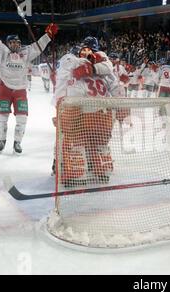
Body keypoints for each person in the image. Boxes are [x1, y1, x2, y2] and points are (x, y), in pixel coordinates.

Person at [0, 10, 58, 155]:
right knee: (3, 117)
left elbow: (38, 46)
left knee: (22, 118)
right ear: (8, 43)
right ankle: (2, 140)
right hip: (4, 88)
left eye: (17, 42)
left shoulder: (26, 52)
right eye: (12, 42)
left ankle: (17, 142)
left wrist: (48, 35)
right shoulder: (2, 51)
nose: (15, 44)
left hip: (21, 90)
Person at [52, 36, 127, 186]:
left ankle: (78, 170)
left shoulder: (94, 62)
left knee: (79, 141)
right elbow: (114, 82)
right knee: (92, 143)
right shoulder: (98, 65)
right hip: (97, 110)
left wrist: (88, 66)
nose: (87, 53)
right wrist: (122, 105)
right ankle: (99, 169)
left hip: (85, 109)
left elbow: (106, 67)